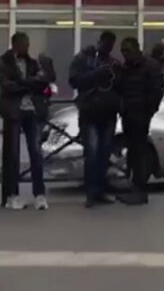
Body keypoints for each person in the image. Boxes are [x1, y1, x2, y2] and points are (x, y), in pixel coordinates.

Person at [0, 33, 52, 210]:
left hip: (31, 110)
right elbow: (6, 86)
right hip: (13, 111)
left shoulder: (32, 63)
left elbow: (43, 84)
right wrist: (29, 84)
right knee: (12, 155)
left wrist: (24, 83)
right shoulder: (3, 63)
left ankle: (39, 194)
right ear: (14, 44)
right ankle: (12, 195)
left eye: (27, 44)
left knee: (36, 153)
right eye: (23, 44)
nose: (26, 47)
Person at [69, 31, 121, 208]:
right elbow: (74, 80)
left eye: (110, 45)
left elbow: (119, 85)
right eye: (105, 43)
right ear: (99, 42)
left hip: (107, 112)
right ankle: (91, 192)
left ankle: (99, 190)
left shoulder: (113, 63)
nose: (107, 47)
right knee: (92, 152)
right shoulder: (84, 58)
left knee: (103, 153)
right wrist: (96, 75)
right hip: (90, 111)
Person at [115, 37, 164, 205]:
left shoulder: (150, 66)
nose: (125, 55)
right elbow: (120, 88)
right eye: (123, 51)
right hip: (128, 114)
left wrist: (148, 110)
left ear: (137, 49)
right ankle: (135, 187)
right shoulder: (126, 68)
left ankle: (140, 189)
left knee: (139, 151)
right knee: (133, 152)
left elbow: (157, 90)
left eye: (128, 51)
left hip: (141, 114)